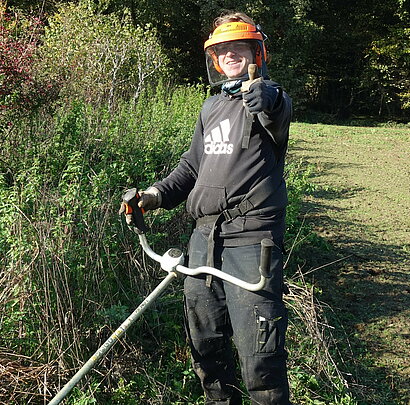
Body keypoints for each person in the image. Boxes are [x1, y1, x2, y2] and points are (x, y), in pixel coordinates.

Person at [122, 11, 292, 405]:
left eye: (239, 47)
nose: (230, 54)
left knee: (261, 363)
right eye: (222, 50)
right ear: (214, 60)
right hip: (204, 239)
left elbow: (275, 108)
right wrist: (155, 195)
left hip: (251, 243)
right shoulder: (211, 106)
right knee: (207, 352)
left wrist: (265, 95)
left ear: (257, 53)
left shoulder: (271, 98)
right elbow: (192, 166)